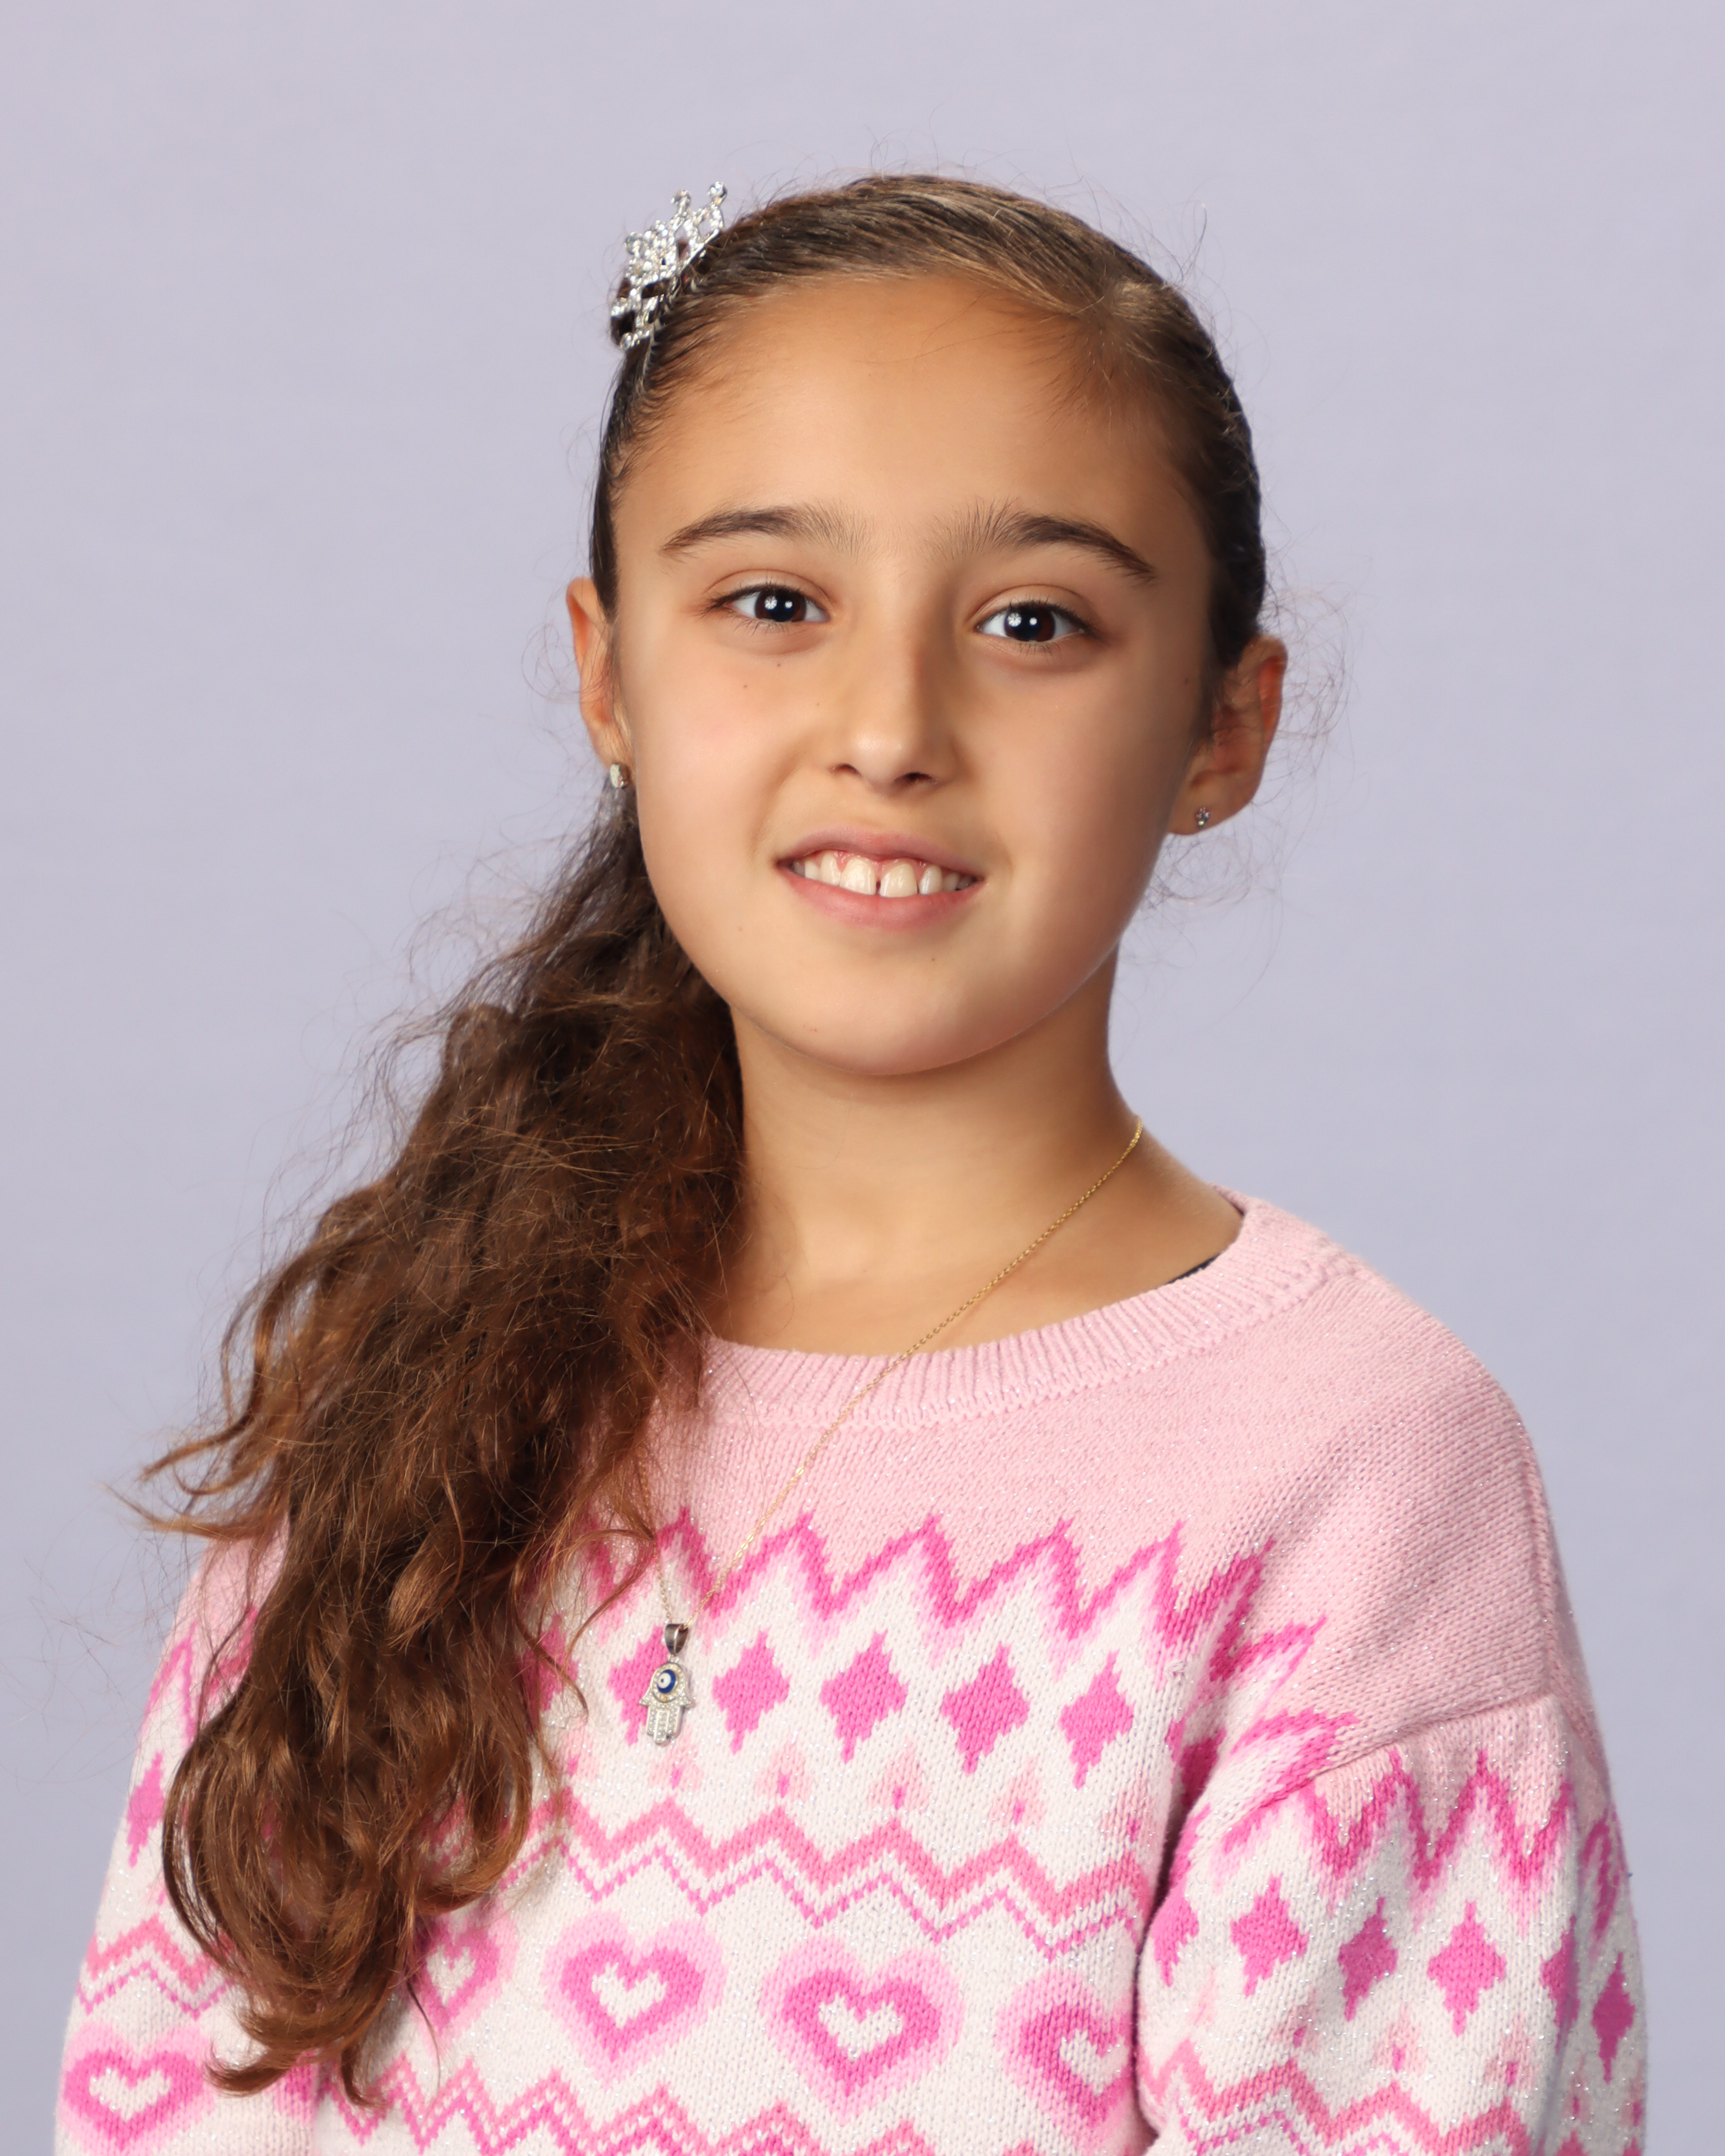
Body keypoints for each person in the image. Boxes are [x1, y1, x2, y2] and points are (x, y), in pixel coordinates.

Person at [56, 175, 1645, 2156]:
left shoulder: (1354, 1475)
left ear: (1221, 724)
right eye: (774, 604)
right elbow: (174, 2091)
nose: (889, 727)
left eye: (1032, 622)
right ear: (608, 672)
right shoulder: (420, 1380)